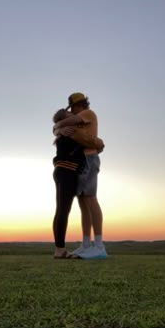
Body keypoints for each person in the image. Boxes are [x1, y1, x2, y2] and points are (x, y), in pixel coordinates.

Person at [53, 93, 107, 260]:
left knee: (90, 198)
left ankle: (98, 245)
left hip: (88, 160)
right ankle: (86, 244)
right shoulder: (76, 124)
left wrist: (58, 125)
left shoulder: (87, 114)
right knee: (83, 202)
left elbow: (64, 124)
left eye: (72, 109)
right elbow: (83, 137)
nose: (72, 113)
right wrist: (58, 128)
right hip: (81, 163)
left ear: (79, 106)